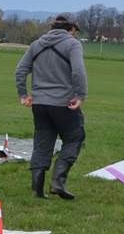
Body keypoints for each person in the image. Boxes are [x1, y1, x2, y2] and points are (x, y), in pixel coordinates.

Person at [14, 15, 89, 199]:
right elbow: (78, 71)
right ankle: (58, 182)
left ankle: (37, 188)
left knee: (42, 142)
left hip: (39, 103)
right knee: (74, 137)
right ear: (71, 29)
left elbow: (20, 70)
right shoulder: (72, 44)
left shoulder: (36, 44)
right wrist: (80, 95)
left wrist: (23, 95)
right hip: (63, 103)